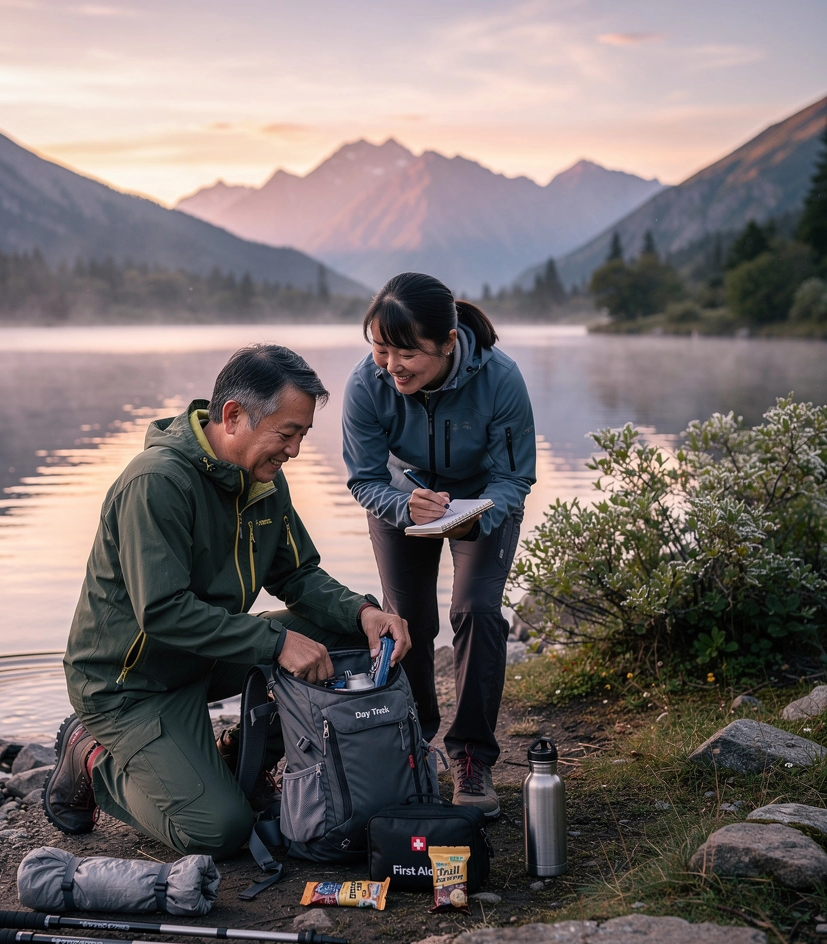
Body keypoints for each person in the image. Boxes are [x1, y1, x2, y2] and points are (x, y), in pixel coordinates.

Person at [44, 344, 410, 859]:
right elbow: (164, 611)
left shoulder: (263, 481)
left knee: (349, 634)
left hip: (206, 656)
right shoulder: (157, 483)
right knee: (221, 831)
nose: (295, 451)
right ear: (234, 417)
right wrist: (276, 642)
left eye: (302, 435)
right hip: (129, 684)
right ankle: (90, 755)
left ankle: (245, 756)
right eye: (287, 434)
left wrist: (365, 612)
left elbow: (298, 574)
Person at [341, 273, 535, 818]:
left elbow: (515, 476)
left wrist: (475, 512)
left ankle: (472, 757)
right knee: (407, 620)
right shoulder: (366, 384)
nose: (390, 365)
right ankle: (417, 743)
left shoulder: (500, 379)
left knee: (476, 610)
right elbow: (363, 478)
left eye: (406, 352)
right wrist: (406, 506)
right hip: (403, 503)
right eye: (380, 349)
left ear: (448, 342)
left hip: (481, 505)